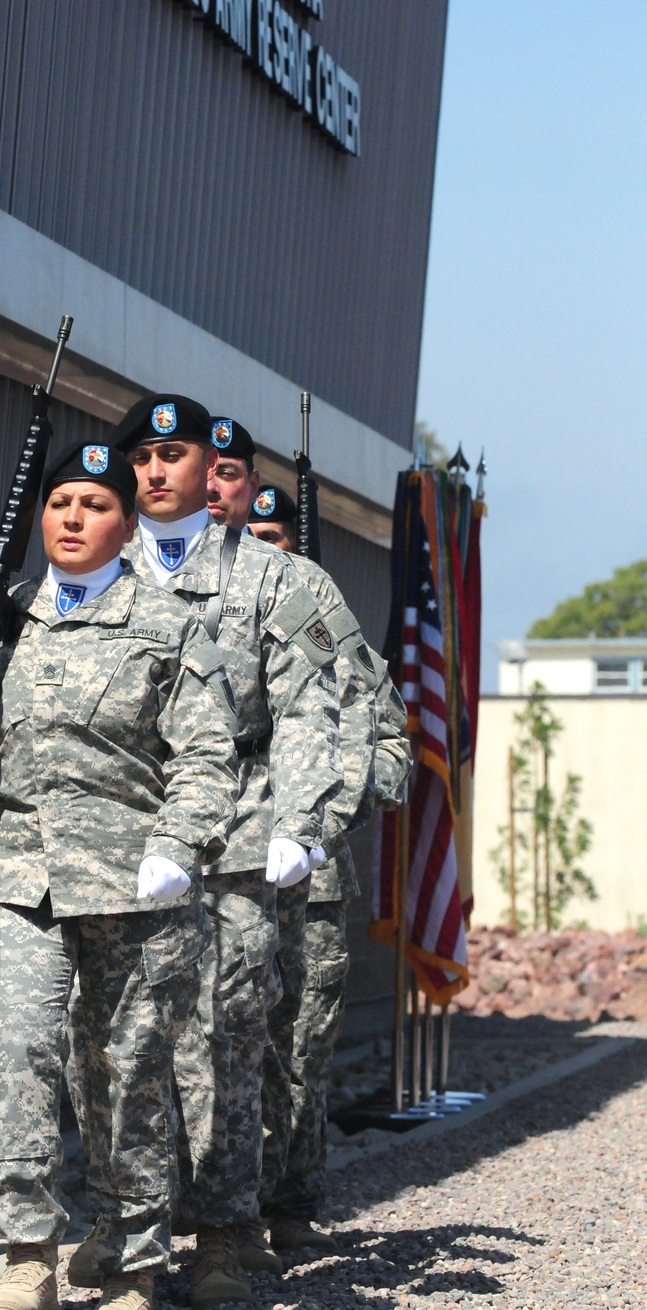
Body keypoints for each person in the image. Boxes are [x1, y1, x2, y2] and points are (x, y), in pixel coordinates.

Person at [0, 441, 241, 1310]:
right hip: (17, 876)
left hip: (137, 883)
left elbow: (208, 755)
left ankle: (131, 1260)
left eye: (94, 505)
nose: (73, 520)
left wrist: (181, 842)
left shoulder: (168, 626)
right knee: (13, 1049)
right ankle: (25, 1255)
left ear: (127, 524)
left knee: (125, 1069)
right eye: (60, 505)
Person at [69, 396, 343, 1310]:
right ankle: (122, 1220)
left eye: (172, 454)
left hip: (236, 837)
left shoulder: (271, 578)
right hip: (123, 835)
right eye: (139, 455)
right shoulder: (100, 569)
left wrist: (302, 824)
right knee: (110, 1039)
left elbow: (310, 709)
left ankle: (225, 1231)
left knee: (227, 1035)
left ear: (208, 472)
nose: (152, 471)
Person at [211, 470, 410, 1253]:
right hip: (208, 857)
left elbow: (379, 724)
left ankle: (286, 1203)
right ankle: (204, 1210)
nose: (258, 543)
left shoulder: (309, 604)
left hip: (309, 876)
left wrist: (335, 809)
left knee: (296, 1045)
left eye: (273, 536)